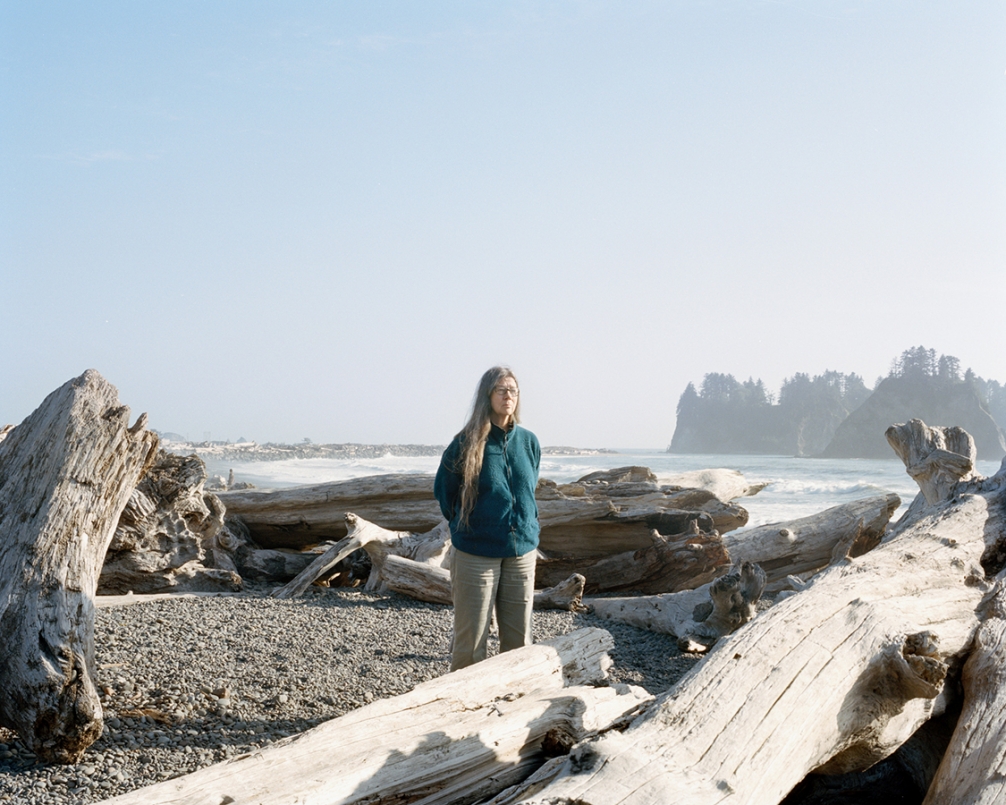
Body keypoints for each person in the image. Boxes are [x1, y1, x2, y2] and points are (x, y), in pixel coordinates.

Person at [434, 366, 541, 671]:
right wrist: (469, 526)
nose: (509, 396)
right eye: (501, 390)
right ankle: (463, 709)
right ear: (488, 395)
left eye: (513, 391)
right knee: (470, 645)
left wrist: (526, 524)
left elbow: (528, 487)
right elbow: (445, 492)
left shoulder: (528, 442)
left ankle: (514, 703)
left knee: (519, 644)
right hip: (476, 553)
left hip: (521, 553)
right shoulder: (466, 443)